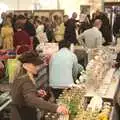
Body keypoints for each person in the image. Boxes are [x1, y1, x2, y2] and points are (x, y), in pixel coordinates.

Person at [10, 51, 68, 120]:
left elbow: (21, 93)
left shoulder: (20, 76)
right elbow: (32, 100)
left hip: (20, 113)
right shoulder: (25, 80)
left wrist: (35, 93)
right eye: (34, 65)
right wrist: (56, 108)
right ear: (25, 66)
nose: (37, 67)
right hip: (22, 115)